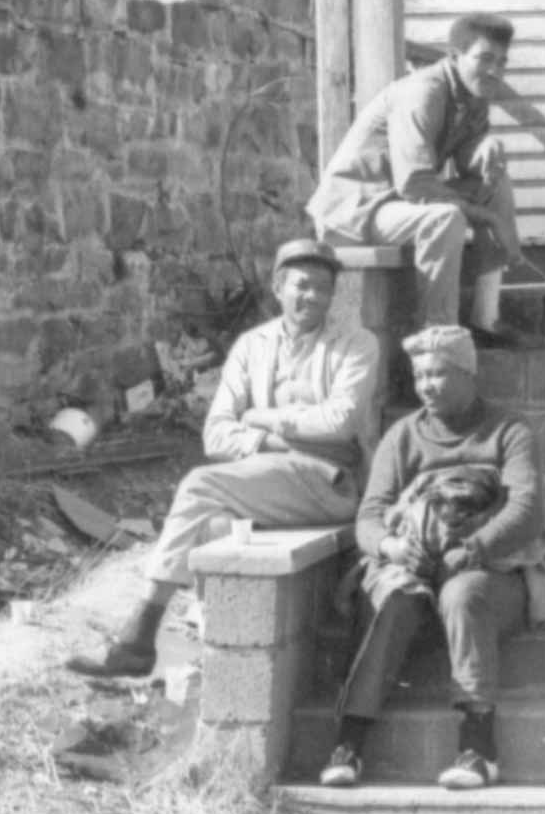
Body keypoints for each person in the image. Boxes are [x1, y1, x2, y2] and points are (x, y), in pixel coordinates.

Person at [65, 238, 380, 679]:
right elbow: (215, 433)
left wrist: (262, 418)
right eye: (302, 285)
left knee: (199, 484)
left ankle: (140, 634)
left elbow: (338, 423)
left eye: (323, 288)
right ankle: (217, 662)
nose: (312, 297)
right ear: (278, 287)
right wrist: (268, 441)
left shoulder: (356, 344)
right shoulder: (253, 346)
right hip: (265, 475)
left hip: (329, 482)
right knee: (212, 527)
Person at [317, 325, 545, 791]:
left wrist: (473, 548)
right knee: (392, 596)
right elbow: (370, 517)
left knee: (463, 594)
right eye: (420, 376)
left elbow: (526, 510)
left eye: (439, 374)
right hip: (412, 568)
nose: (427, 386)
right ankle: (350, 741)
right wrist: (391, 547)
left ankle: (479, 748)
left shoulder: (509, 431)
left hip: (488, 571)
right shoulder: (402, 436)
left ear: (468, 374)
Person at [306, 13, 542, 350]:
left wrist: (483, 147)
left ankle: (486, 320)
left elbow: (465, 157)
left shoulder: (473, 92)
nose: (495, 71)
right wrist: (490, 219)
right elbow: (415, 183)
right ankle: (440, 339)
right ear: (455, 56)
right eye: (485, 59)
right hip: (356, 210)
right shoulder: (423, 92)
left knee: (496, 185)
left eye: (502, 62)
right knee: (444, 218)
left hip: (396, 204)